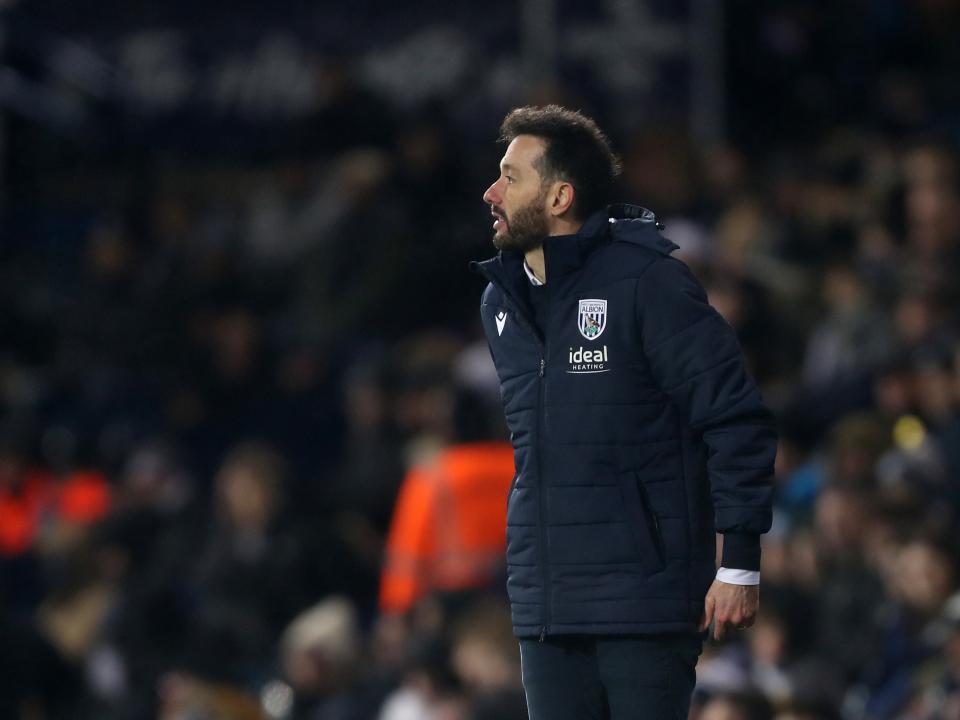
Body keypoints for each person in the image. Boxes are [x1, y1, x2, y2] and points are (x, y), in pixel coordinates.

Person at [470, 105, 777, 719]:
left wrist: (739, 561)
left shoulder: (649, 283)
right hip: (548, 605)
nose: (491, 192)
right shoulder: (499, 304)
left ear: (559, 196)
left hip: (645, 599)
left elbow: (734, 418)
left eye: (510, 176)